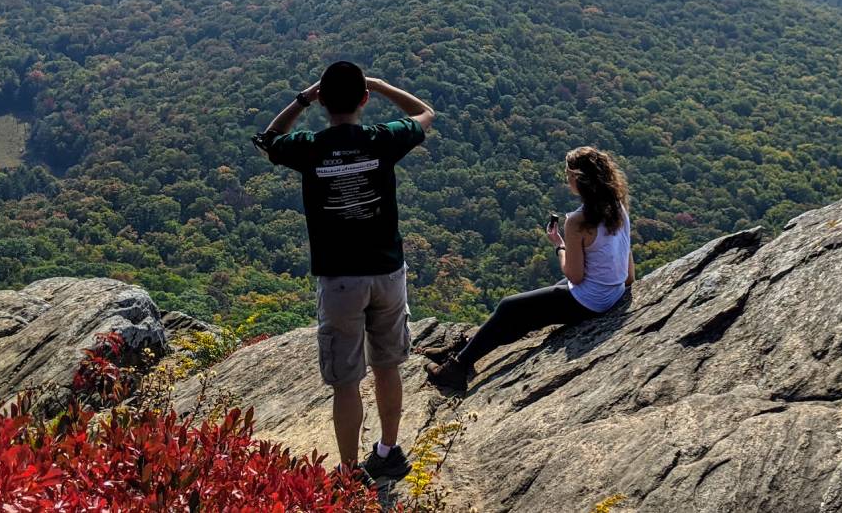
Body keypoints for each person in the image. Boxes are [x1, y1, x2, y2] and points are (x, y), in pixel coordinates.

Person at [254, 61, 435, 482]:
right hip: (387, 274)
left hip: (339, 279)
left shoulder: (310, 147)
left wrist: (303, 97)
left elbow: (269, 138)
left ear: (322, 103)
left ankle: (351, 472)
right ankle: (389, 451)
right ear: (364, 100)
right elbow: (425, 114)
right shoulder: (382, 140)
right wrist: (382, 84)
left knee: (347, 379)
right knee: (387, 366)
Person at [423, 146, 634, 393]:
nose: (567, 182)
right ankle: (465, 348)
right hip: (612, 293)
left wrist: (560, 246)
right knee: (531, 308)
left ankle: (455, 369)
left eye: (568, 176)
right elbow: (629, 273)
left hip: (591, 301)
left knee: (509, 307)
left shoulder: (578, 220)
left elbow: (574, 275)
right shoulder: (618, 208)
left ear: (578, 179)